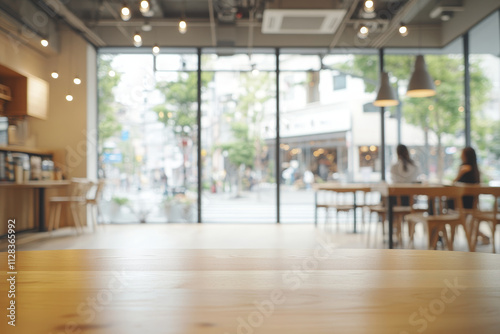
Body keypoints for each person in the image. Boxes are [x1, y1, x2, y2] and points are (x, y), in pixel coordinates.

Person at [453, 146, 489, 244]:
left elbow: (454, 182)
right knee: (467, 221)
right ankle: (482, 236)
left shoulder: (464, 168)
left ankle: (437, 236)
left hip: (462, 202)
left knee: (441, 207)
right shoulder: (475, 169)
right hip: (472, 202)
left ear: (465, 155)